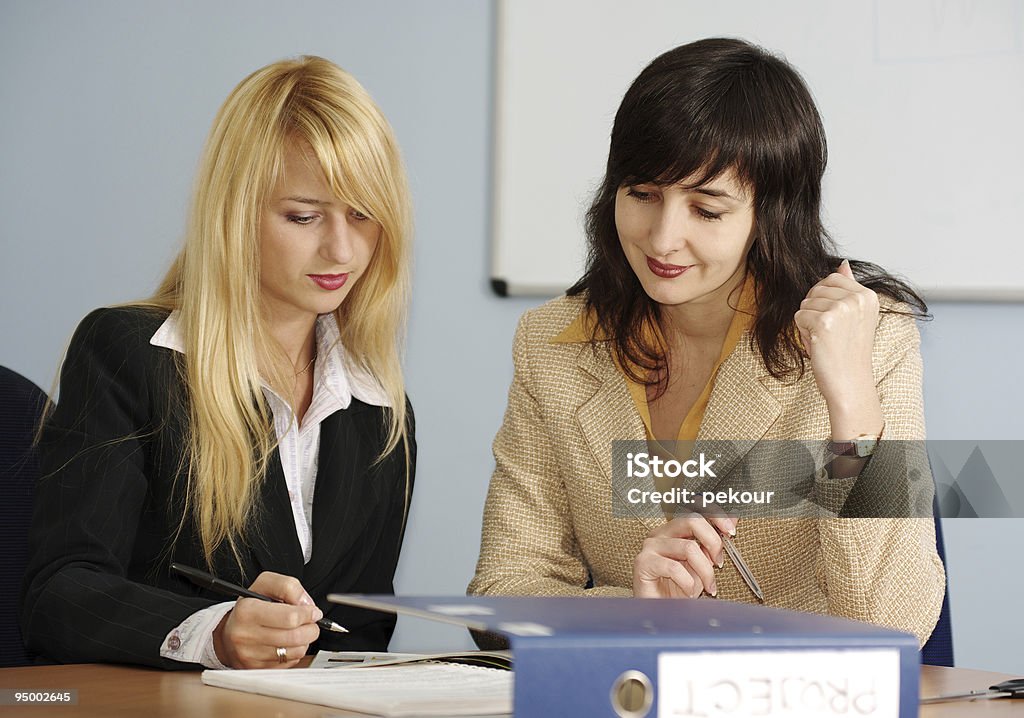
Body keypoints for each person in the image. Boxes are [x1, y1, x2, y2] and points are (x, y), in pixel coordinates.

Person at [468, 38, 944, 644]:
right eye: (642, 195)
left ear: (771, 215)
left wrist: (850, 401)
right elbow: (504, 586)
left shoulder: (871, 341)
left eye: (707, 210)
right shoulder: (552, 345)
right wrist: (637, 612)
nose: (663, 239)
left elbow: (891, 625)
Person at [21, 56, 416, 669]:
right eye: (304, 216)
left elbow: (358, 635)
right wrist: (216, 634)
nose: (342, 248)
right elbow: (60, 596)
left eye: (362, 214)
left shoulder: (381, 412)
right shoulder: (126, 355)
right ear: (235, 213)